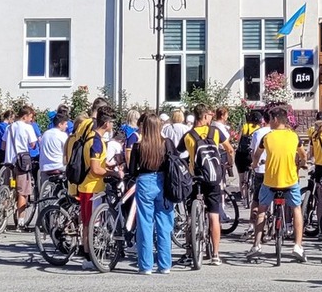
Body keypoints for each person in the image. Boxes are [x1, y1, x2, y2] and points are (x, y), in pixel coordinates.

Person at [251, 106, 306, 262]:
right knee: (296, 209)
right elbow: (303, 154)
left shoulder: (267, 137)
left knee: (262, 209)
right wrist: (302, 162)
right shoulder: (294, 137)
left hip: (270, 181)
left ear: (275, 120)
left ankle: (256, 245)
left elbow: (257, 155)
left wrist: (255, 164)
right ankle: (297, 246)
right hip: (290, 181)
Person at [182, 107, 232, 265]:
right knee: (214, 215)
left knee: (191, 216)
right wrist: (228, 165)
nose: (210, 118)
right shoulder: (215, 132)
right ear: (204, 116)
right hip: (213, 178)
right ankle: (216, 255)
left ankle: (190, 252)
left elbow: (177, 153)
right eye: (209, 115)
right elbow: (229, 149)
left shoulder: (189, 135)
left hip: (196, 177)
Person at [66, 108, 118, 257]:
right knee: (90, 222)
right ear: (106, 123)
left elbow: (94, 163)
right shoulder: (96, 142)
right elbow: (95, 169)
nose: (112, 125)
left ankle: (85, 250)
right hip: (92, 187)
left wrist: (108, 165)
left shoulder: (91, 138)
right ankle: (89, 255)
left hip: (85, 185)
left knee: (87, 221)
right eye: (112, 122)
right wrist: (112, 173)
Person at [128, 118, 175, 273]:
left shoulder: (139, 146)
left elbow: (133, 170)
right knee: (164, 223)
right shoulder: (166, 143)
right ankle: (165, 264)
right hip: (163, 182)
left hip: (145, 181)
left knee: (145, 224)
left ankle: (146, 265)